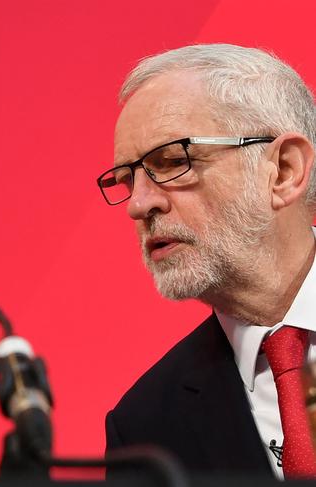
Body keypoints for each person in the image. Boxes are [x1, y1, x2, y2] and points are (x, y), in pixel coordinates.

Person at [98, 44, 316, 479]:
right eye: (128, 179)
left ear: (285, 170)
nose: (138, 204)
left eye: (173, 161)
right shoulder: (145, 428)